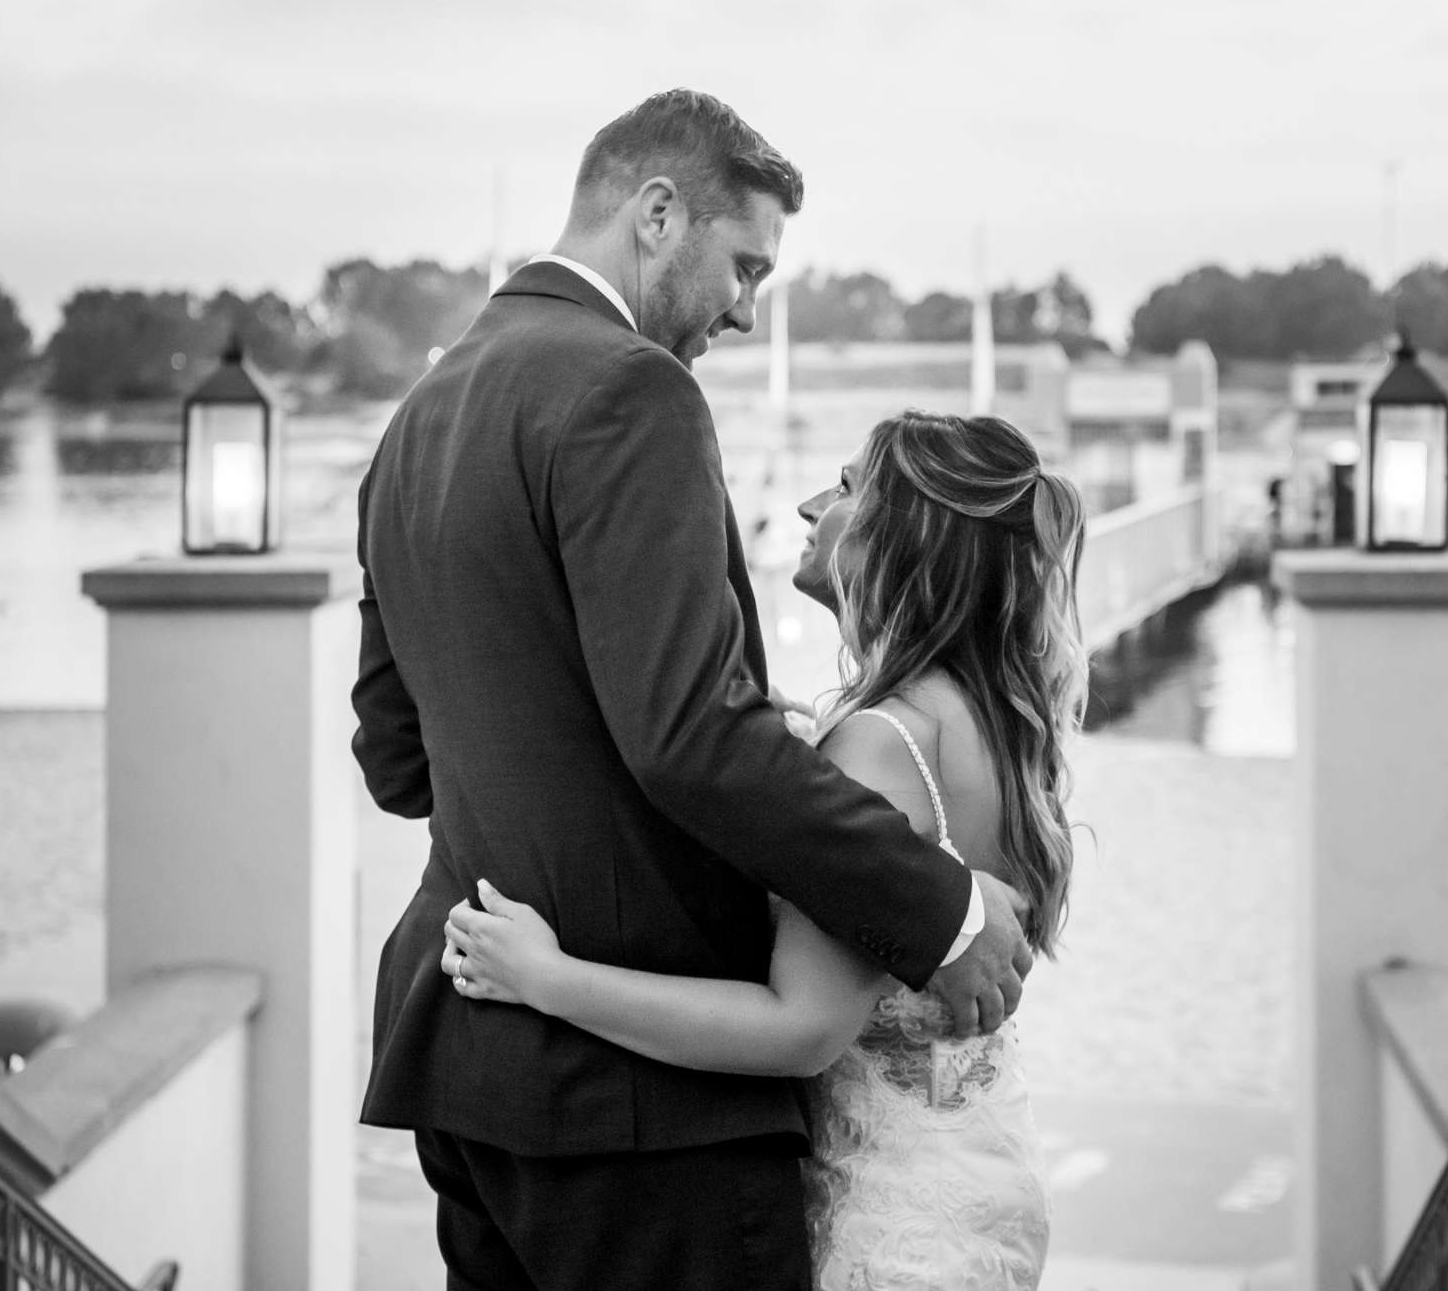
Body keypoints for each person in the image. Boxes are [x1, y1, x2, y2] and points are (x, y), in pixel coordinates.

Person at [352, 90, 1036, 1290]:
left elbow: (397, 760)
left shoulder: (422, 413)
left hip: (467, 1063)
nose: (747, 310)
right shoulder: (628, 389)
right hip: (643, 1110)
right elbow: (683, 736)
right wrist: (940, 912)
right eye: (745, 267)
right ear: (658, 213)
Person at [445, 412, 1084, 1291]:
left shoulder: (883, 745)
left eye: (850, 488)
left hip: (888, 1228)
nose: (810, 505)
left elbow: (802, 1030)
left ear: (905, 534)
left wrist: (547, 980)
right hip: (979, 1178)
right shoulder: (998, 731)